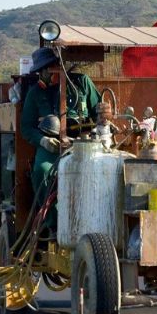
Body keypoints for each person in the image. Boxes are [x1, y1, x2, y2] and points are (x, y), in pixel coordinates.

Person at [20, 47, 100, 226]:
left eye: (52, 65)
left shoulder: (82, 82)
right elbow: (26, 127)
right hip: (52, 146)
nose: (49, 71)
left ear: (60, 64)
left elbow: (99, 112)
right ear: (39, 72)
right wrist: (43, 141)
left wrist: (96, 130)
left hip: (84, 142)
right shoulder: (35, 93)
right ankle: (52, 223)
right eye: (44, 68)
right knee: (42, 170)